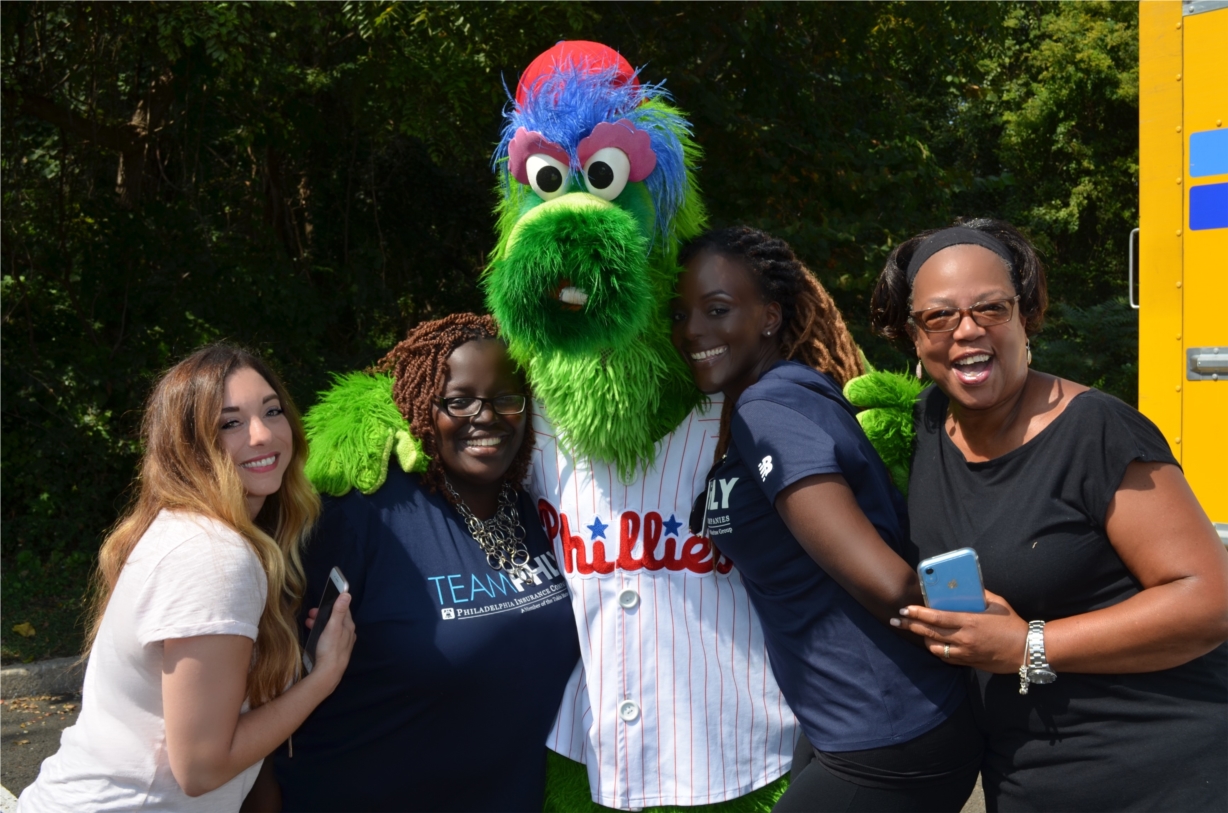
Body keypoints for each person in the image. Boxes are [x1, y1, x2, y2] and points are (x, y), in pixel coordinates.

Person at [870, 218, 1228, 811]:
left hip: (1166, 773)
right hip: (1027, 777)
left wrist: (1028, 645)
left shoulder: (1095, 430)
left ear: (1024, 315)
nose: (967, 331)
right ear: (912, 333)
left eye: (990, 309)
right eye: (940, 316)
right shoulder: (925, 426)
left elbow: (1209, 600)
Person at [670, 227, 983, 813]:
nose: (692, 330)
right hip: (859, 725)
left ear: (769, 317)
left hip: (891, 734)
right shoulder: (773, 399)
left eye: (717, 309)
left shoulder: (771, 408)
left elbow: (888, 583)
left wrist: (999, 630)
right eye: (680, 314)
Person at [19, 344, 356, 813]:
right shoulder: (214, 557)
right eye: (230, 423)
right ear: (188, 445)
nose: (262, 435)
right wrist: (323, 677)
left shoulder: (191, 531)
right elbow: (201, 769)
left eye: (272, 411)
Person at [272, 314, 581, 812]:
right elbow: (270, 668)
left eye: (506, 398)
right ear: (419, 407)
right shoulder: (366, 513)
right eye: (458, 401)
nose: (487, 417)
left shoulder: (539, 508)